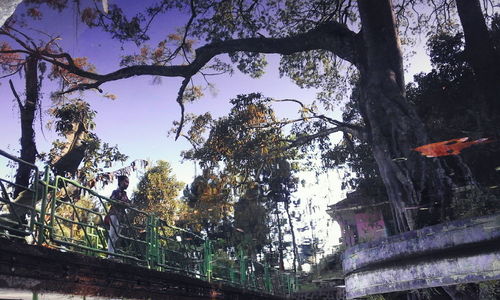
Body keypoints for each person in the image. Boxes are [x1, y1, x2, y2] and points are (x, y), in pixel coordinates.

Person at [106, 175, 130, 255]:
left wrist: (126, 204)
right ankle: (110, 255)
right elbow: (111, 200)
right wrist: (122, 203)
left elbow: (129, 204)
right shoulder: (115, 192)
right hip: (114, 214)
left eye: (128, 182)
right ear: (120, 182)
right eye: (126, 182)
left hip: (121, 217)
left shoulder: (125, 194)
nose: (127, 184)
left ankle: (111, 253)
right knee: (112, 235)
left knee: (116, 236)